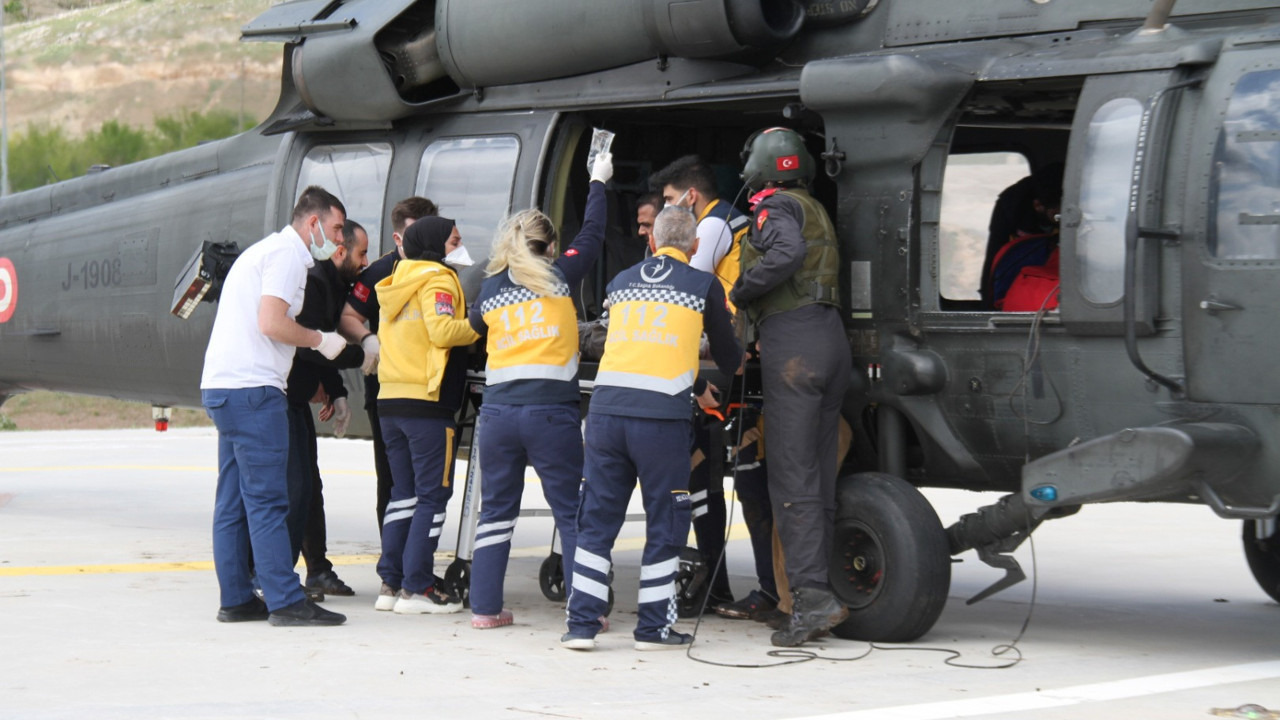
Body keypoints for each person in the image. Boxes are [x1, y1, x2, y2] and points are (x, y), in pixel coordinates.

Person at [563, 206, 743, 652]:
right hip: (661, 424)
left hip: (605, 416)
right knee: (666, 521)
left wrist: (694, 384)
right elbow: (729, 358)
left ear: (652, 241)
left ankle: (582, 626)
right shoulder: (703, 285)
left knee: (597, 520)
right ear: (696, 246)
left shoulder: (620, 282)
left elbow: (646, 346)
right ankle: (653, 630)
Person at [466, 152, 613, 629]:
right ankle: (582, 609)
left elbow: (472, 326)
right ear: (550, 247)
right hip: (551, 415)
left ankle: (485, 610)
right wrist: (597, 181)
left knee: (496, 513)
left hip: (499, 416)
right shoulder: (557, 277)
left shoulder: (489, 288)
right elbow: (592, 236)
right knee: (571, 513)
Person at [200, 185, 349, 627]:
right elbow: (271, 322)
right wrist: (321, 340)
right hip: (253, 391)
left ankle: (239, 598)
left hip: (223, 388)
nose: (339, 239)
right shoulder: (287, 256)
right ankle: (285, 600)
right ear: (312, 223)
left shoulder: (264, 252)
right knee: (268, 500)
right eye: (336, 228)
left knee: (233, 502)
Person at [729, 127, 851, 647]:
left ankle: (812, 599)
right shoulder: (814, 206)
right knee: (818, 479)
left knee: (793, 479)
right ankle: (819, 593)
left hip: (795, 346)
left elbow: (783, 256)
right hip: (830, 338)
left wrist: (741, 290)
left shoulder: (772, 207)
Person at [373, 215, 480, 614]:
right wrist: (479, 322)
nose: (459, 246)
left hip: (390, 401)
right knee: (433, 496)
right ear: (437, 245)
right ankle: (418, 586)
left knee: (404, 494)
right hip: (427, 404)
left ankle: (391, 581)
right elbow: (441, 331)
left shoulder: (395, 283)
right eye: (454, 240)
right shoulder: (438, 278)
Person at [340, 197, 438, 532]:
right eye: (415, 235)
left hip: (430, 393)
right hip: (386, 393)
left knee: (429, 484)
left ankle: (416, 564)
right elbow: (348, 317)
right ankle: (394, 566)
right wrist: (369, 339)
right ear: (398, 238)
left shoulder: (443, 271)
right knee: (394, 479)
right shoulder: (379, 272)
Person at [291, 220, 372, 597]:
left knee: (310, 486)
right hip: (283, 398)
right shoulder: (315, 282)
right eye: (360, 253)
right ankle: (271, 574)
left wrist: (336, 390)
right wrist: (364, 353)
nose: (365, 262)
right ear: (341, 253)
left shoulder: (332, 284)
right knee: (293, 487)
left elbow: (324, 343)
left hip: (298, 396)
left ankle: (318, 570)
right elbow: (312, 344)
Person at [650, 155, 750, 303]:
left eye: (669, 199)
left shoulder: (714, 224)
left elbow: (685, 283)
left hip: (729, 322)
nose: (666, 206)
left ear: (691, 196)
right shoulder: (722, 214)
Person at [980, 162, 1064, 309]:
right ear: (1038, 206)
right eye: (1058, 215)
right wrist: (989, 307)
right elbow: (993, 260)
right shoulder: (1011, 206)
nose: (1062, 218)